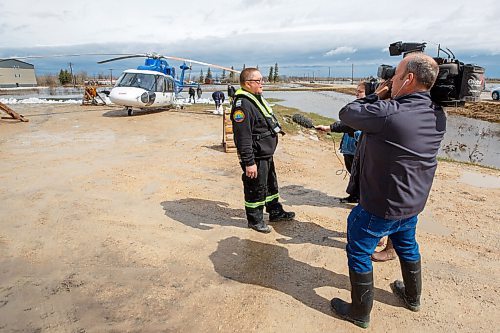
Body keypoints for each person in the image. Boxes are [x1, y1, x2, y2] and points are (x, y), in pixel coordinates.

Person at [330, 53, 446, 328]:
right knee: (407, 246)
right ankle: (412, 297)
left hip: (381, 205)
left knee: (359, 250)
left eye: (394, 78)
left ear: (408, 78)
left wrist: (378, 94)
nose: (389, 82)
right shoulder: (438, 113)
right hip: (413, 203)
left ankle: (359, 312)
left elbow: (347, 113)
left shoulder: (389, 112)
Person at [230, 68, 295, 233]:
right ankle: (255, 220)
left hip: (265, 154)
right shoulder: (242, 105)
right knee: (256, 188)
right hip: (256, 156)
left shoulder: (254, 99)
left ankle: (275, 211)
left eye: (262, 79)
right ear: (247, 84)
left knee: (270, 185)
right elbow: (242, 137)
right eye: (258, 81)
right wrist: (249, 162)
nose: (262, 83)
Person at [315, 81, 366, 203]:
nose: (356, 94)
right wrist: (329, 128)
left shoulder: (371, 110)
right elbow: (345, 125)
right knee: (352, 173)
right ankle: (354, 196)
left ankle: (363, 200)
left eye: (360, 92)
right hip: (348, 148)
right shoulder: (355, 107)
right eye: (356, 91)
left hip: (358, 149)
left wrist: (355, 134)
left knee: (361, 175)